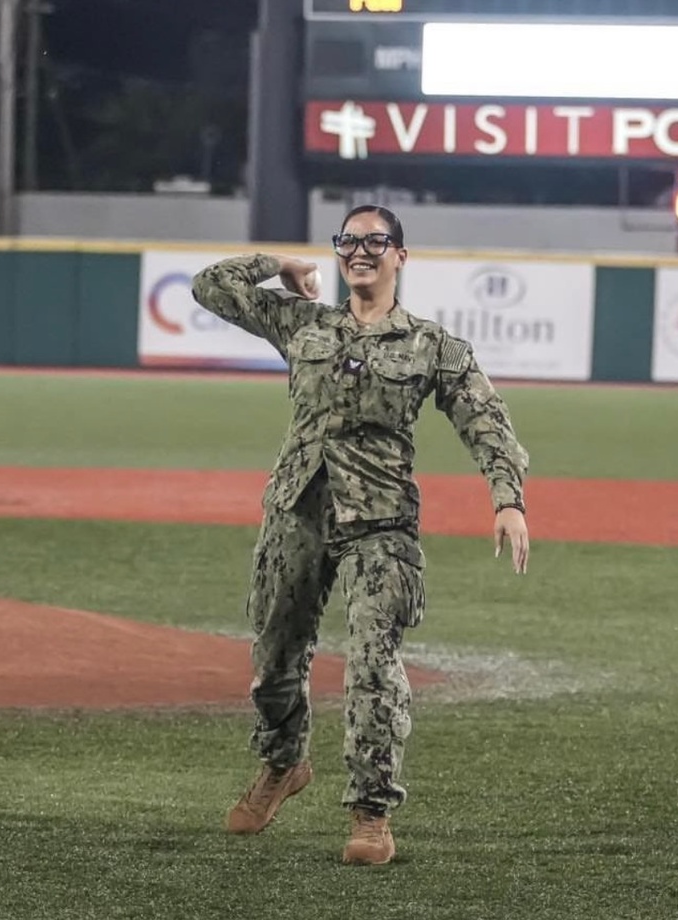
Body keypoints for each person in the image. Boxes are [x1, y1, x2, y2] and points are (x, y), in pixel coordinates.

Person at [191, 205, 530, 866]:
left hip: (380, 524)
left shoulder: (431, 344)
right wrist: (278, 264)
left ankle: (371, 813)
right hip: (297, 511)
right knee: (274, 656)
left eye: (377, 241)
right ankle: (283, 764)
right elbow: (210, 287)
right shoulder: (304, 324)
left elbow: (484, 417)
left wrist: (507, 498)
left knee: (373, 661)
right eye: (349, 241)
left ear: (401, 255)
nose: (360, 252)